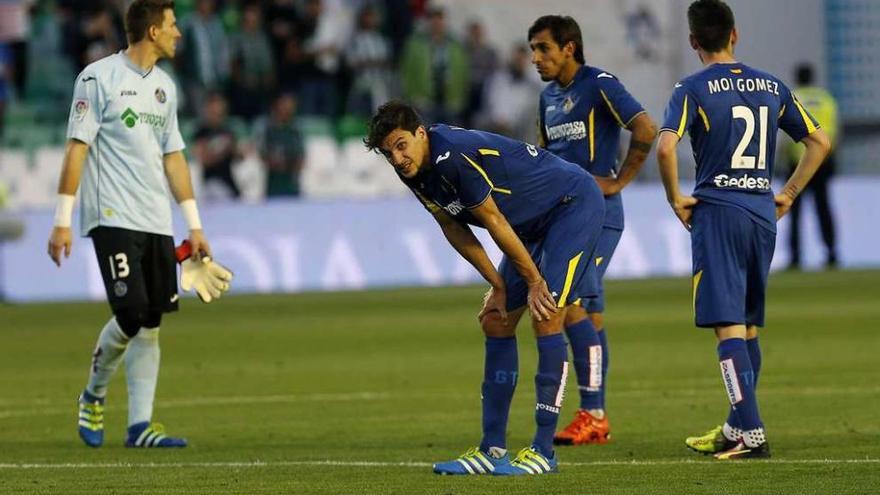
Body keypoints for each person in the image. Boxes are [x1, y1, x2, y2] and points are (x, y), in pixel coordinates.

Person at [365, 101, 606, 475]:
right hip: (528, 227)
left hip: (571, 205)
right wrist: (497, 284)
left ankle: (544, 451)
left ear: (420, 133)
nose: (397, 159)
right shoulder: (412, 170)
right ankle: (491, 449)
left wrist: (534, 281)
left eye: (400, 145)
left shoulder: (451, 157)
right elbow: (451, 225)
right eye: (388, 153)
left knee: (546, 312)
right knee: (496, 321)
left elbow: (492, 220)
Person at [655, 0, 830, 459]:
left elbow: (666, 148)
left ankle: (752, 435)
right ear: (735, 34)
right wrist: (787, 194)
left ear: (694, 42)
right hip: (760, 212)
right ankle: (737, 426)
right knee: (749, 328)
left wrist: (676, 198)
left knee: (728, 329)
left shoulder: (691, 88)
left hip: (718, 213)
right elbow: (819, 141)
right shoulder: (771, 84)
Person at [47, 0, 217, 449]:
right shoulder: (97, 78)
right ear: (153, 32)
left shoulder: (165, 88)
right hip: (111, 214)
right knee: (132, 311)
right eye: (173, 25)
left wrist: (194, 225)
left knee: (152, 320)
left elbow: (174, 157)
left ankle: (140, 426)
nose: (179, 33)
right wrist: (62, 221)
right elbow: (76, 149)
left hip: (155, 219)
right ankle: (94, 393)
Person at [528, 15, 658, 446]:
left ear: (569, 47)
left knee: (569, 307)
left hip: (598, 214)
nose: (535, 58)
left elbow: (645, 127)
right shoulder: (548, 98)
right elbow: (544, 158)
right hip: (560, 218)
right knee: (589, 312)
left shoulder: (599, 82)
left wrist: (620, 180)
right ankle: (595, 417)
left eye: (543, 48)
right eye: (533, 49)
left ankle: (593, 413)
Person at [785, 63, 839, 270]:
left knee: (794, 210)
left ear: (797, 78)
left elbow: (784, 135)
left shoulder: (793, 97)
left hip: (798, 163)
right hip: (822, 162)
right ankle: (832, 253)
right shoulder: (826, 99)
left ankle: (795, 257)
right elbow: (835, 131)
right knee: (823, 208)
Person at [193, 91, 242, 201]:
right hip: (211, 184)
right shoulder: (201, 132)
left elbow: (238, 156)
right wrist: (222, 150)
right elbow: (203, 160)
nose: (217, 111)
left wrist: (239, 151)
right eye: (213, 108)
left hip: (229, 182)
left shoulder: (228, 131)